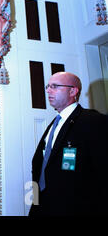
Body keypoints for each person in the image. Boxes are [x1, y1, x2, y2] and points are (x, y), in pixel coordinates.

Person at [29, 72, 108, 216]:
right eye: (48, 86)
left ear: (73, 91)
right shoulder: (53, 126)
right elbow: (40, 168)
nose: (48, 90)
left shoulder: (93, 121)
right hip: (42, 207)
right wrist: (34, 204)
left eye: (55, 86)